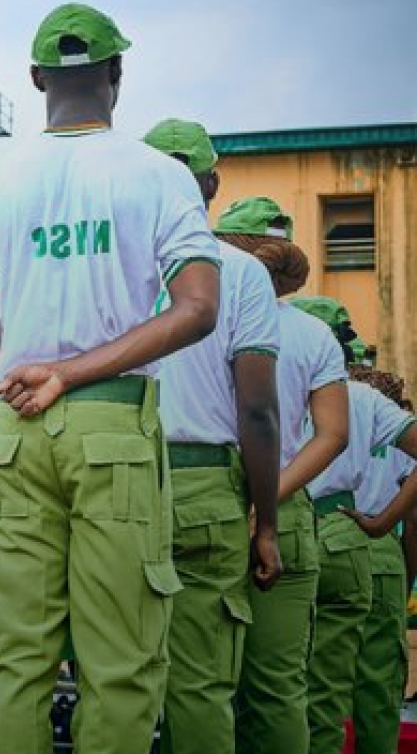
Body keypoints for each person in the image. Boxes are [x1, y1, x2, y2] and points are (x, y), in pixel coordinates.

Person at [0, 6, 220, 752]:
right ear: (116, 75)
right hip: (111, 430)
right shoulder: (161, 178)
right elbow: (198, 309)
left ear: (37, 78)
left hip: (11, 434)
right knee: (122, 664)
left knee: (18, 662)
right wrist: (70, 375)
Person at [141, 119, 282, 754]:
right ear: (213, 184)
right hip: (204, 492)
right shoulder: (242, 272)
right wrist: (268, 523)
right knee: (200, 687)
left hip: (114, 480)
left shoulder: (117, 263)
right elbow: (257, 409)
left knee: (116, 679)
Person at [215, 199, 350, 754]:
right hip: (289, 517)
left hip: (206, 499)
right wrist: (271, 498)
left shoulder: (196, 319)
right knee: (278, 690)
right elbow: (332, 434)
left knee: (201, 686)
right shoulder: (314, 335)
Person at [293, 298, 417, 754]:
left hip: (283, 519)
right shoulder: (367, 401)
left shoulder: (272, 382)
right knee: (360, 681)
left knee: (279, 679)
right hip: (356, 535)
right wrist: (384, 524)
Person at [342, 366, 416, 754]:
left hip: (325, 529)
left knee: (318, 679)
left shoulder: (314, 405)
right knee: (379, 682)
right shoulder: (390, 422)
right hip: (383, 550)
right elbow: (414, 516)